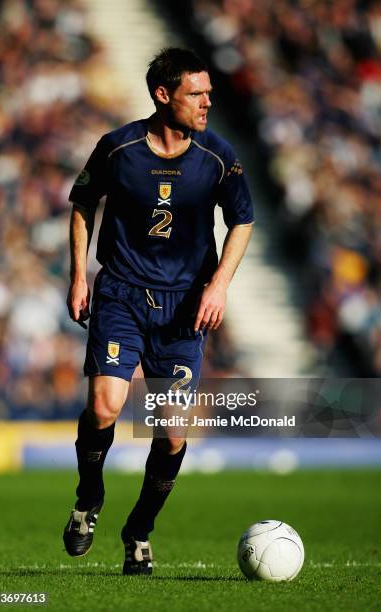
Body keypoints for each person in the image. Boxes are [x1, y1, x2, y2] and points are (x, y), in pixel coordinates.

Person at [63, 47, 254, 575]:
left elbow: (243, 220)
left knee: (170, 431)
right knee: (105, 407)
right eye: (197, 93)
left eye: (209, 93)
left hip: (185, 307)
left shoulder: (218, 156)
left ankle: (139, 530)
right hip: (121, 293)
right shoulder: (117, 147)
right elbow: (82, 203)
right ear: (163, 95)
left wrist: (219, 286)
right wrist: (79, 273)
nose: (207, 103)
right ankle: (88, 499)